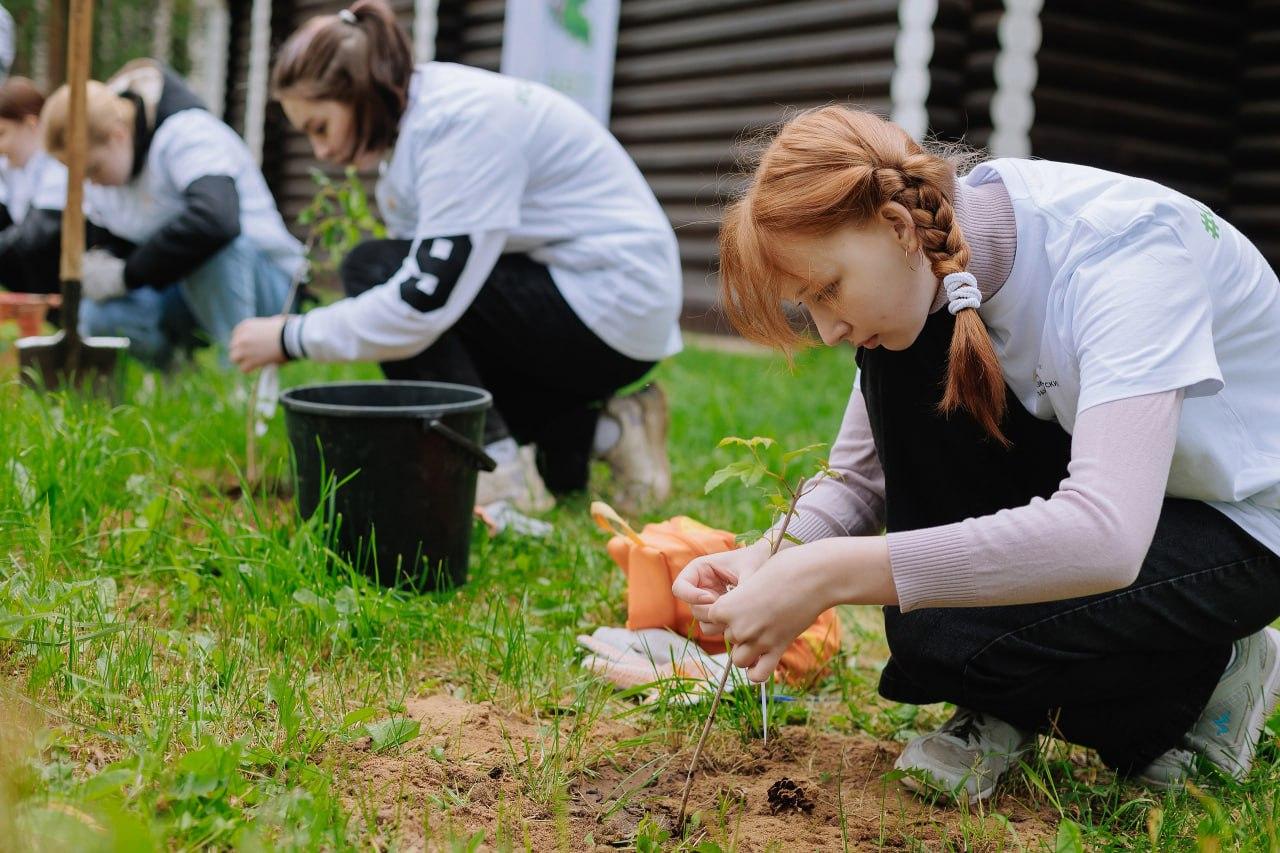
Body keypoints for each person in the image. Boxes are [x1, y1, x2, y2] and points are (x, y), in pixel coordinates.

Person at [672, 106, 1280, 800]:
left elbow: (1107, 535)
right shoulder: (938, 263)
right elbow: (858, 477)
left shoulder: (1124, 257)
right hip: (1120, 490)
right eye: (806, 305)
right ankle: (1005, 697)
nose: (829, 326)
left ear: (897, 228)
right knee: (932, 611)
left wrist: (829, 573)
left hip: (1240, 523)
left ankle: (1216, 673)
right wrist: (770, 557)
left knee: (942, 630)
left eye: (828, 289)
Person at [228, 0, 682, 513]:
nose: (322, 153)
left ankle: (495, 469)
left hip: (611, 301)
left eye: (320, 127)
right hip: (594, 307)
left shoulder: (460, 123)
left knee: (374, 270)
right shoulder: (417, 131)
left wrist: (291, 336)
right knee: (559, 468)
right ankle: (612, 431)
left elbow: (420, 306)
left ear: (361, 92)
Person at [41, 59, 304, 368]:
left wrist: (128, 274)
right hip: (185, 295)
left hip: (268, 293)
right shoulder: (107, 174)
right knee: (99, 314)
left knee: (210, 248)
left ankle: (238, 376)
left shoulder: (187, 133)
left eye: (93, 169)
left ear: (118, 135)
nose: (91, 183)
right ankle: (174, 373)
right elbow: (117, 242)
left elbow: (217, 221)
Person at [0, 77, 64, 294]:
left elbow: (33, 238)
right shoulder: (12, 168)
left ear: (31, 124)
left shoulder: (59, 166)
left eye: (2, 134)